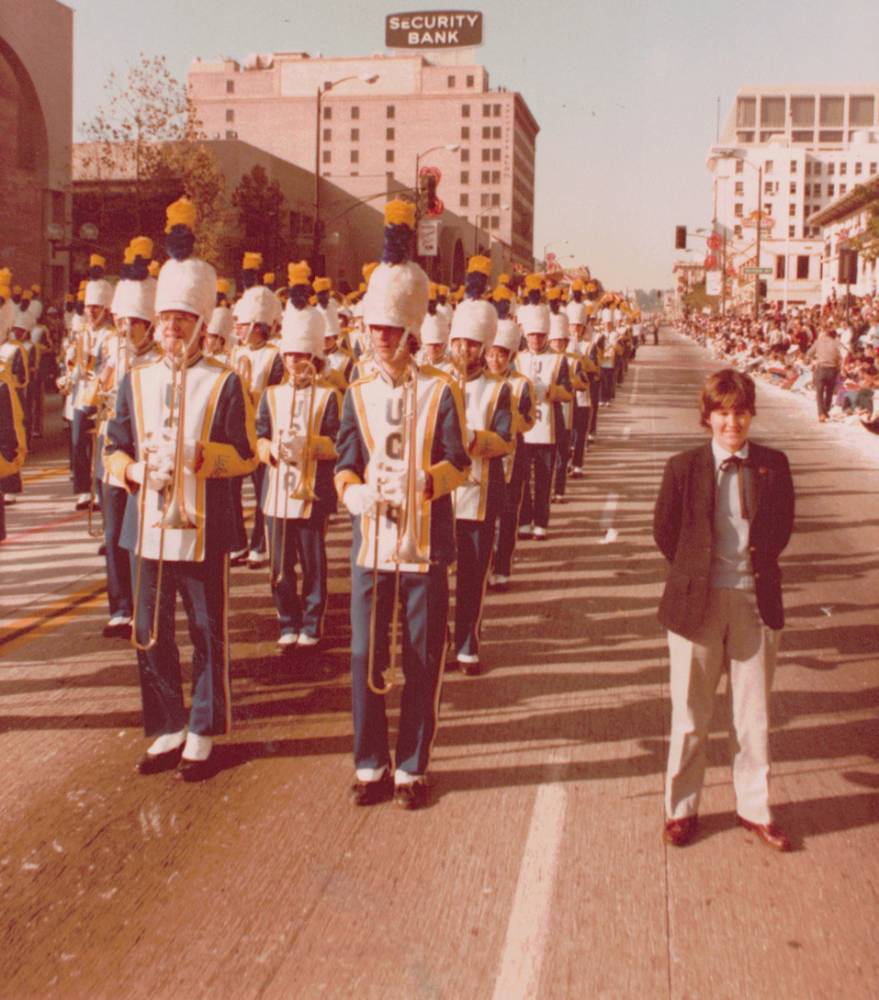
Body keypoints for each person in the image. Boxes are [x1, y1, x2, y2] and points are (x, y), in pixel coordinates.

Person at [104, 196, 258, 781]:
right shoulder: (134, 378)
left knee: (206, 630)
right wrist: (134, 472)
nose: (170, 331)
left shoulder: (225, 382)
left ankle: (203, 728)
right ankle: (167, 722)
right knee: (149, 631)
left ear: (199, 325)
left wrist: (202, 458)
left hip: (204, 524)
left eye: (181, 322)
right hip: (145, 522)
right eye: (164, 322)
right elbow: (112, 446)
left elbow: (246, 456)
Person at [334, 199, 470, 810]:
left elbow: (460, 461)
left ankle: (413, 765)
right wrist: (352, 491)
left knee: (420, 659)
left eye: (391, 330)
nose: (382, 339)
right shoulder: (356, 392)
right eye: (374, 330)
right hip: (372, 543)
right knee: (365, 655)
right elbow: (343, 462)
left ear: (411, 333)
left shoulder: (443, 390)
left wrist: (427, 485)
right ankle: (370, 763)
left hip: (424, 545)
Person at [653, 368, 794, 852]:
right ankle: (682, 808)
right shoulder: (683, 468)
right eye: (722, 413)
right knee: (691, 713)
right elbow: (665, 533)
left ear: (751, 414)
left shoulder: (774, 465)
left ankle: (755, 808)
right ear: (707, 417)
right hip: (698, 604)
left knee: (752, 715)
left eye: (740, 413)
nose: (731, 423)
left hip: (754, 601)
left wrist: (750, 576)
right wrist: (697, 575)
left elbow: (780, 530)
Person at [258, 306, 342, 649]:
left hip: (312, 491)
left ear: (313, 356)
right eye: (289, 355)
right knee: (279, 563)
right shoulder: (271, 395)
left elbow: (338, 443)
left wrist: (310, 446)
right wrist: (272, 451)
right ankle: (286, 618)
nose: (294, 361)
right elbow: (259, 436)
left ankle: (312, 619)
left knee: (312, 562)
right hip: (277, 487)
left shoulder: (328, 396)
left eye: (301, 355)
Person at [448, 260, 512, 675]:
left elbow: (503, 440)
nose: (465, 352)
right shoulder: (435, 382)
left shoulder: (498, 390)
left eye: (474, 345)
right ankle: (436, 640)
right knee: (434, 577)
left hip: (481, 494)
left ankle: (467, 641)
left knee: (472, 575)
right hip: (438, 493)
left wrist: (470, 440)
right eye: (460, 343)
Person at [808, 326, 843, 422]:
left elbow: (809, 353)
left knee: (819, 393)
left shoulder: (819, 341)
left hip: (821, 368)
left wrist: (813, 361)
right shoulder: (836, 343)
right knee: (829, 392)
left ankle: (821, 414)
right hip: (832, 369)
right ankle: (826, 411)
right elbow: (839, 358)